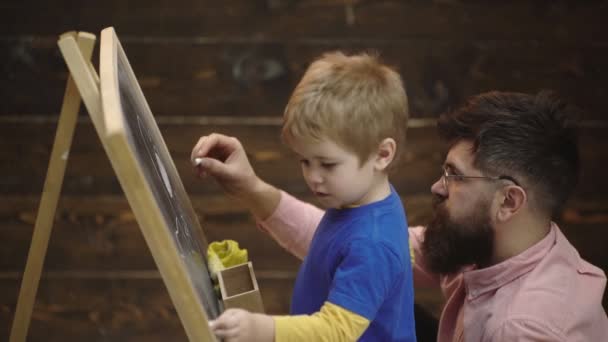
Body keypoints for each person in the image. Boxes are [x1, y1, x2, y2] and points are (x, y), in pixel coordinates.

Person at [192, 90, 608, 341]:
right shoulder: (487, 244)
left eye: (455, 176)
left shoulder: (523, 327)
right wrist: (251, 188)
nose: (437, 187)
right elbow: (346, 243)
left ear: (509, 201)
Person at [192, 52, 416, 341]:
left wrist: (263, 329)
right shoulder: (360, 203)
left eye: (327, 164)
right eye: (304, 161)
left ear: (382, 154)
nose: (313, 176)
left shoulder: (373, 241)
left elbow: (336, 330)